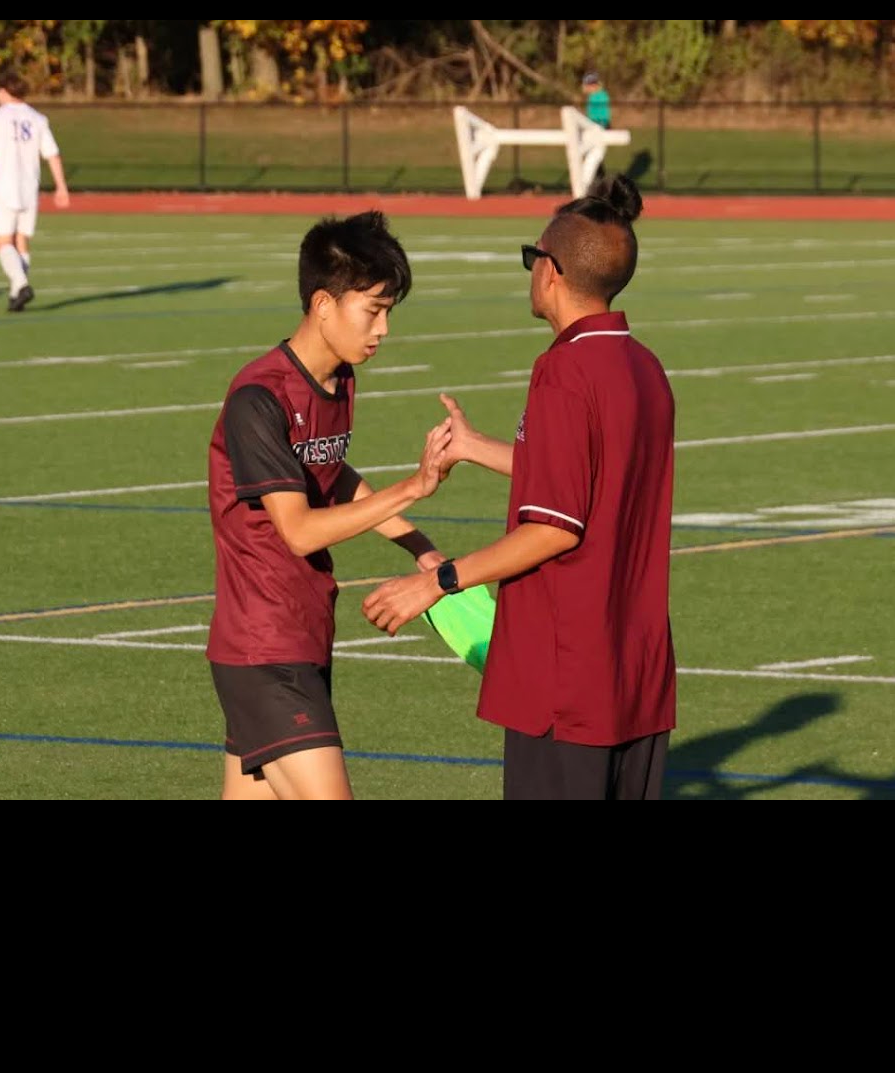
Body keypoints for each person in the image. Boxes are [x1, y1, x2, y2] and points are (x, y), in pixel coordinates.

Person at [362, 174, 676, 801]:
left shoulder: (564, 370)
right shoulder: (643, 366)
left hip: (567, 683)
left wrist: (436, 582)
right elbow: (592, 482)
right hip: (636, 677)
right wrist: (476, 446)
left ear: (551, 271)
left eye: (532, 256)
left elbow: (555, 528)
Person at [207, 210, 451, 801]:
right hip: (263, 648)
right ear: (323, 304)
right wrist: (414, 485)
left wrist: (419, 546)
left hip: (304, 633)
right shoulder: (258, 399)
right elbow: (299, 531)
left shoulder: (339, 380)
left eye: (389, 311)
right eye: (373, 310)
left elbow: (331, 475)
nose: (383, 328)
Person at [0, 73, 70, 311]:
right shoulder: (38, 118)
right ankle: (15, 295)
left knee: (2, 241)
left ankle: (21, 283)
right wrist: (61, 186)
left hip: (3, 187)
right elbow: (52, 154)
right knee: (21, 241)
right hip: (29, 188)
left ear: (4, 91)